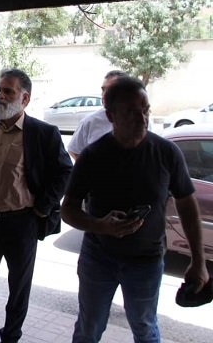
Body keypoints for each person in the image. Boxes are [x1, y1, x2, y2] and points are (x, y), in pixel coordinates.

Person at [61, 76, 209, 343]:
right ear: (111, 116)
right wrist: (100, 225)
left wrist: (198, 262)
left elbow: (188, 206)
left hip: (146, 261)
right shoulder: (93, 156)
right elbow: (68, 210)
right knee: (88, 328)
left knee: (145, 328)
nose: (142, 118)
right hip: (98, 259)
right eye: (130, 112)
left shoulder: (167, 153)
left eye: (145, 110)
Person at [0, 68, 73, 343]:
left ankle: (10, 337)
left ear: (24, 98)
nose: (0, 96)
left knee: (18, 291)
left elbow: (65, 171)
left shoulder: (42, 133)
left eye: (8, 91)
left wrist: (42, 208)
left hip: (20, 224)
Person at [67, 70, 126, 160]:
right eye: (103, 89)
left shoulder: (138, 120)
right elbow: (74, 150)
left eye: (111, 90)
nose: (104, 94)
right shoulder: (90, 121)